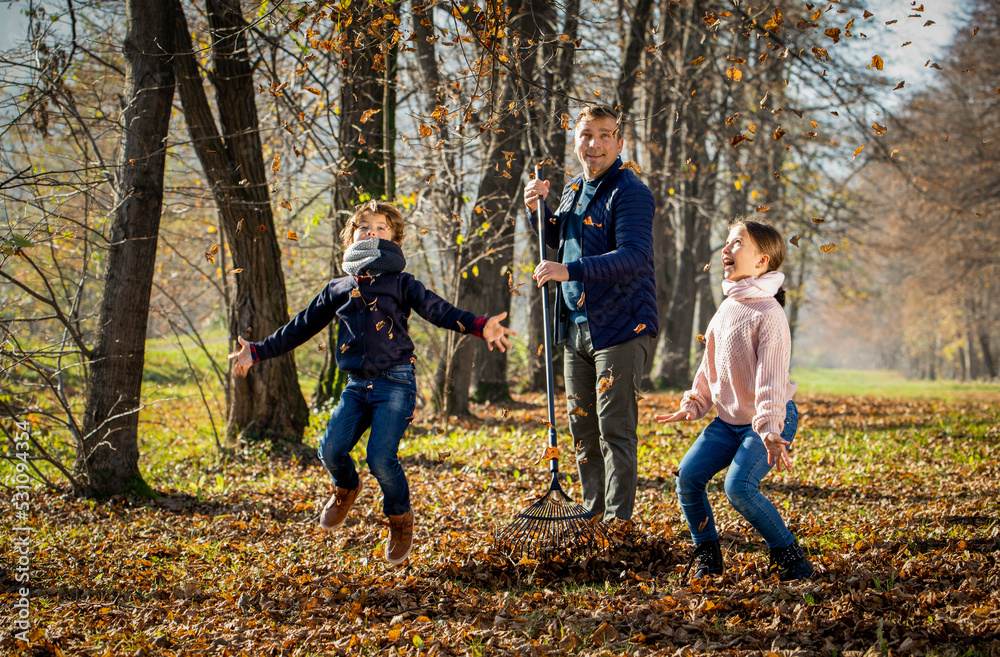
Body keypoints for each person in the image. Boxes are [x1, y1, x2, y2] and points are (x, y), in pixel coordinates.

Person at [228, 201, 515, 565]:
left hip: (395, 382)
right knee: (330, 449)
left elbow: (439, 310)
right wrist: (256, 351)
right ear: (351, 236)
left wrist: (479, 325)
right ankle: (346, 487)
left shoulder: (401, 283)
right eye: (364, 227)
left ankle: (400, 519)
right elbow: (300, 327)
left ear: (394, 238)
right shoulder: (338, 287)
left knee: (380, 458)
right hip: (356, 385)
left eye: (381, 228)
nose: (372, 233)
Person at [654, 218, 815, 582]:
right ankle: (708, 556)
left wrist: (770, 428)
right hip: (728, 423)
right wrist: (693, 402)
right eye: (727, 242)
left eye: (738, 243)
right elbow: (711, 364)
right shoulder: (727, 307)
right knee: (688, 478)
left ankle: (790, 558)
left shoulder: (769, 315)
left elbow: (771, 381)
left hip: (769, 419)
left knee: (738, 488)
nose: (727, 250)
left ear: (762, 262)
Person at [523, 104, 657, 523]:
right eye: (586, 135)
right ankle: (591, 516)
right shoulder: (573, 189)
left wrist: (571, 271)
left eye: (604, 135)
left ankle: (617, 525)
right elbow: (560, 242)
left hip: (620, 326)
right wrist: (537, 213)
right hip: (576, 327)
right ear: (576, 141)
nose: (594, 144)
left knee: (614, 429)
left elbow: (635, 256)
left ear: (620, 142)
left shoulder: (629, 191)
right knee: (582, 429)